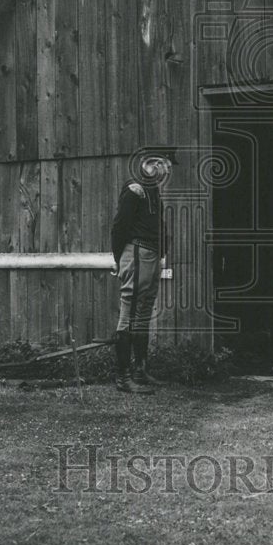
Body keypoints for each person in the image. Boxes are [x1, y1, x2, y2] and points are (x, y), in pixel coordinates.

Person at [108, 147, 177, 394]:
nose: (167, 170)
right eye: (165, 165)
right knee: (130, 311)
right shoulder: (134, 189)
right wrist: (120, 259)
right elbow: (119, 228)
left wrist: (161, 254)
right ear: (151, 164)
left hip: (150, 255)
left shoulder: (152, 190)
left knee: (144, 311)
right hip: (136, 253)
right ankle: (123, 377)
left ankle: (140, 370)